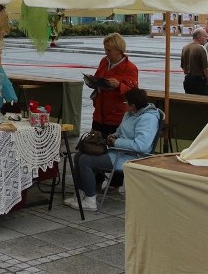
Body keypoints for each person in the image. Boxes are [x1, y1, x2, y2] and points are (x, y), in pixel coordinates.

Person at [65, 88, 160, 211]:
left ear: (133, 106)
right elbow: (120, 131)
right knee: (78, 156)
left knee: (85, 161)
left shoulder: (148, 119)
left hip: (133, 156)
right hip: (119, 151)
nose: (123, 104)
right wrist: (113, 136)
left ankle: (90, 200)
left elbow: (141, 146)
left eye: (126, 103)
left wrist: (116, 142)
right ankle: (80, 194)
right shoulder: (129, 114)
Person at [87, 33, 139, 191]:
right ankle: (96, 180)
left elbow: (133, 93)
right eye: (105, 49)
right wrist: (93, 81)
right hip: (100, 111)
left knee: (116, 148)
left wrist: (119, 85)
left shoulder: (130, 68)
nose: (106, 53)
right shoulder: (104, 61)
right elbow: (98, 76)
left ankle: (115, 184)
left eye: (109, 50)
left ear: (119, 50)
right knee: (95, 145)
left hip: (117, 114)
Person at [181, 28, 208, 95]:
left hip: (188, 79)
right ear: (199, 37)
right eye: (205, 36)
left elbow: (183, 66)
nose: (207, 38)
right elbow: (206, 69)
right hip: (199, 81)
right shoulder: (201, 48)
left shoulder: (185, 47)